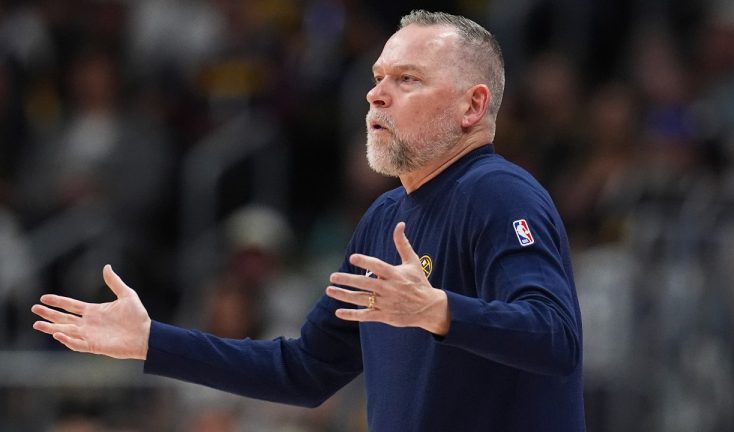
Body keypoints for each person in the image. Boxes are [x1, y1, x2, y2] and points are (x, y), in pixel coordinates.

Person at [32, 10, 585, 431]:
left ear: (472, 106)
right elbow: (304, 371)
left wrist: (438, 309)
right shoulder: (384, 217)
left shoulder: (499, 194)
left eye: (407, 80)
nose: (376, 94)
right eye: (378, 77)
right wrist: (153, 341)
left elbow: (555, 336)